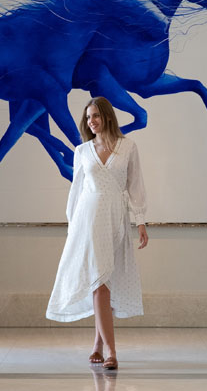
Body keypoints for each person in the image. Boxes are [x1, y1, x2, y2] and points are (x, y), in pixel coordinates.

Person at [46, 96, 149, 370]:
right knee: (99, 283)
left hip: (116, 218)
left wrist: (140, 221)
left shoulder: (128, 147)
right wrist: (73, 228)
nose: (91, 121)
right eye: (88, 117)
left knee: (106, 281)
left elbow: (135, 185)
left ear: (107, 117)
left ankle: (97, 344)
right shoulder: (82, 151)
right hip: (88, 220)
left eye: (95, 116)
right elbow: (76, 192)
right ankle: (112, 352)